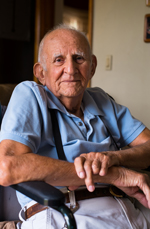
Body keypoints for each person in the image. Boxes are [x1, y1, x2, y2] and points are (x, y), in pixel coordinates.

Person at [0, 24, 150, 229]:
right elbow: (7, 166)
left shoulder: (102, 100)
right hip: (64, 213)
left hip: (127, 209)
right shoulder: (30, 95)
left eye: (79, 58)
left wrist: (114, 158)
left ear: (92, 66)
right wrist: (115, 174)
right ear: (41, 73)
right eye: (58, 60)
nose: (70, 69)